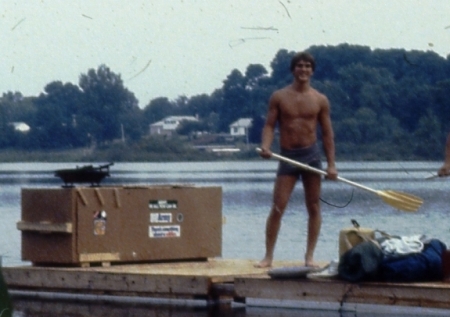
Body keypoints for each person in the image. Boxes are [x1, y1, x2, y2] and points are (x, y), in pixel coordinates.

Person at [255, 52, 338, 268]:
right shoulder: (279, 97)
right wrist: (266, 146)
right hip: (287, 156)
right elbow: (270, 125)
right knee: (278, 206)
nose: (303, 69)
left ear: (312, 70)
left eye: (307, 66)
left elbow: (327, 134)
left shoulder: (320, 99)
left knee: (314, 207)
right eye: (299, 66)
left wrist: (331, 165)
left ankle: (309, 257)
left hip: (311, 156)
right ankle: (268, 257)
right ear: (293, 70)